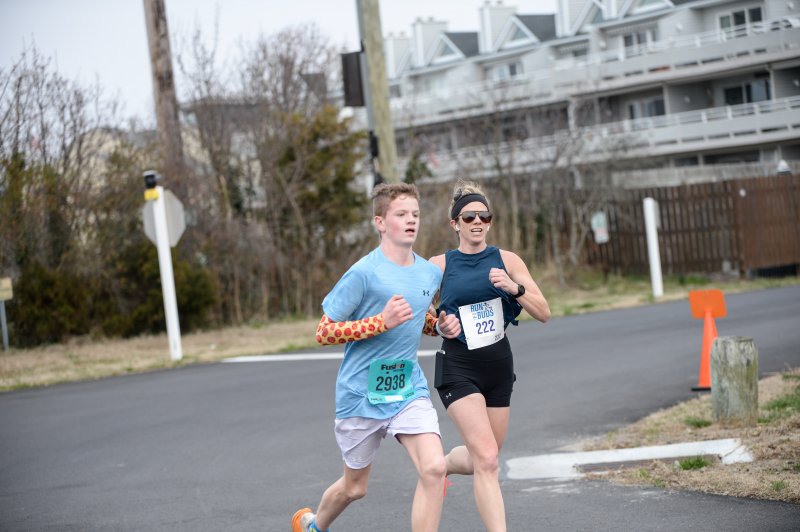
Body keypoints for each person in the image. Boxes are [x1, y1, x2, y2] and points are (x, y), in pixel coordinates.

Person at [292, 183, 461, 532]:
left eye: (415, 214)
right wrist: (378, 323)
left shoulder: (429, 274)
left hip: (407, 388)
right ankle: (314, 526)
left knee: (433, 467)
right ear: (380, 222)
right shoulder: (363, 273)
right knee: (355, 487)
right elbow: (323, 331)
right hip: (360, 395)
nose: (411, 221)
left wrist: (441, 326)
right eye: (401, 215)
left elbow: (419, 319)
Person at [429, 179, 550, 532]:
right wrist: (438, 324)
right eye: (469, 217)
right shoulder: (439, 265)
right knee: (487, 460)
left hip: (498, 366)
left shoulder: (507, 260)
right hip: (458, 367)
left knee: (487, 455)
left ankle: (442, 465)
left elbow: (543, 312)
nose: (478, 222)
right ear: (455, 224)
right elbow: (415, 311)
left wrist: (515, 288)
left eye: (485, 216)